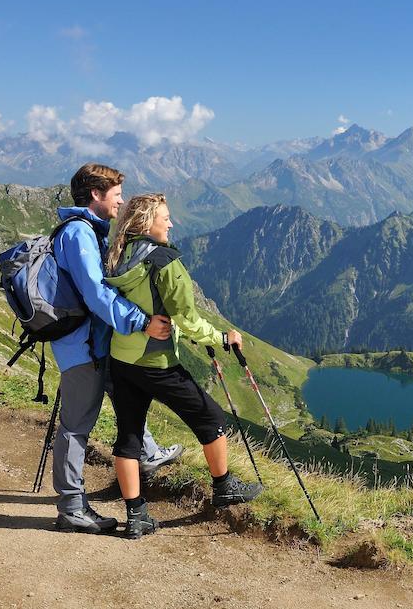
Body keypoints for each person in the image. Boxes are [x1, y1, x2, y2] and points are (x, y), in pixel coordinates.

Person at [105, 193, 262, 539]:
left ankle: (136, 516)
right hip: (155, 360)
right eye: (166, 217)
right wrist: (221, 338)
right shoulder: (165, 262)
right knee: (211, 418)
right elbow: (186, 318)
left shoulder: (120, 253)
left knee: (128, 436)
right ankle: (224, 486)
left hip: (121, 358)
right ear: (148, 223)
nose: (172, 224)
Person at [50, 164, 185, 534]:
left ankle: (146, 451)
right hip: (81, 347)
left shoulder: (90, 230)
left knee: (123, 395)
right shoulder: (78, 234)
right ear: (96, 194)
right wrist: (140, 321)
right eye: (117, 194)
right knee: (76, 426)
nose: (121, 201)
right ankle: (71, 507)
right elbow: (96, 293)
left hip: (94, 342)